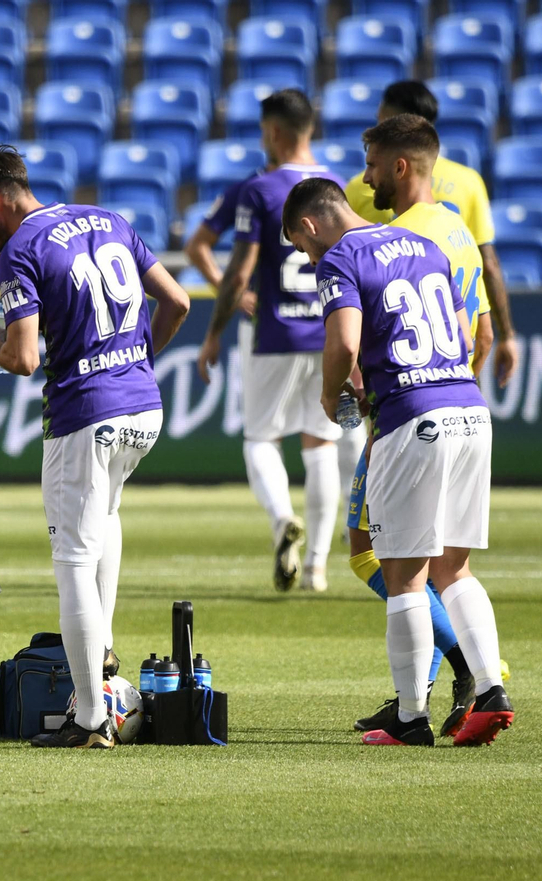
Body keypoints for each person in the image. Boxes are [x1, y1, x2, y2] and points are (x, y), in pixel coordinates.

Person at [0, 147, 191, 749]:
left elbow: (25, 358)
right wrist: (137, 367)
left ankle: (89, 719)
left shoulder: (19, 252)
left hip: (86, 415)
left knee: (73, 560)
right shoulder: (109, 220)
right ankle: (101, 656)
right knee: (104, 518)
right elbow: (179, 302)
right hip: (143, 407)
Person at [286, 177, 514, 748]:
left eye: (300, 245)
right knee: (454, 567)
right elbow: (463, 334)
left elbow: (342, 342)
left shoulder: (340, 257)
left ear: (311, 226)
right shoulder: (426, 248)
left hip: (413, 420)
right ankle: (491, 690)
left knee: (404, 573)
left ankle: (410, 718)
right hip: (468, 408)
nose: (307, 256)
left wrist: (330, 393)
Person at [346, 114, 497, 738]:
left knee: (376, 555)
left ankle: (451, 675)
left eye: (374, 164)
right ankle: (458, 683)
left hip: (407, 412)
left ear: (400, 166)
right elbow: (477, 333)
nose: (367, 177)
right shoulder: (458, 231)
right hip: (461, 401)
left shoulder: (395, 238)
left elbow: (357, 343)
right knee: (443, 563)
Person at [195, 89, 357, 594]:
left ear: (274, 131)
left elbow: (239, 268)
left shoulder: (260, 189)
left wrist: (215, 331)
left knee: (261, 439)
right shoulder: (334, 187)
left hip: (276, 332)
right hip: (327, 327)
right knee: (321, 444)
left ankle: (283, 518)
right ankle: (316, 567)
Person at [343, 80, 520, 384]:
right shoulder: (467, 183)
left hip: (405, 374)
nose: (370, 175)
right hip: (455, 378)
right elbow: (487, 264)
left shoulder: (361, 188)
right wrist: (508, 336)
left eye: (381, 119)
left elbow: (348, 277)